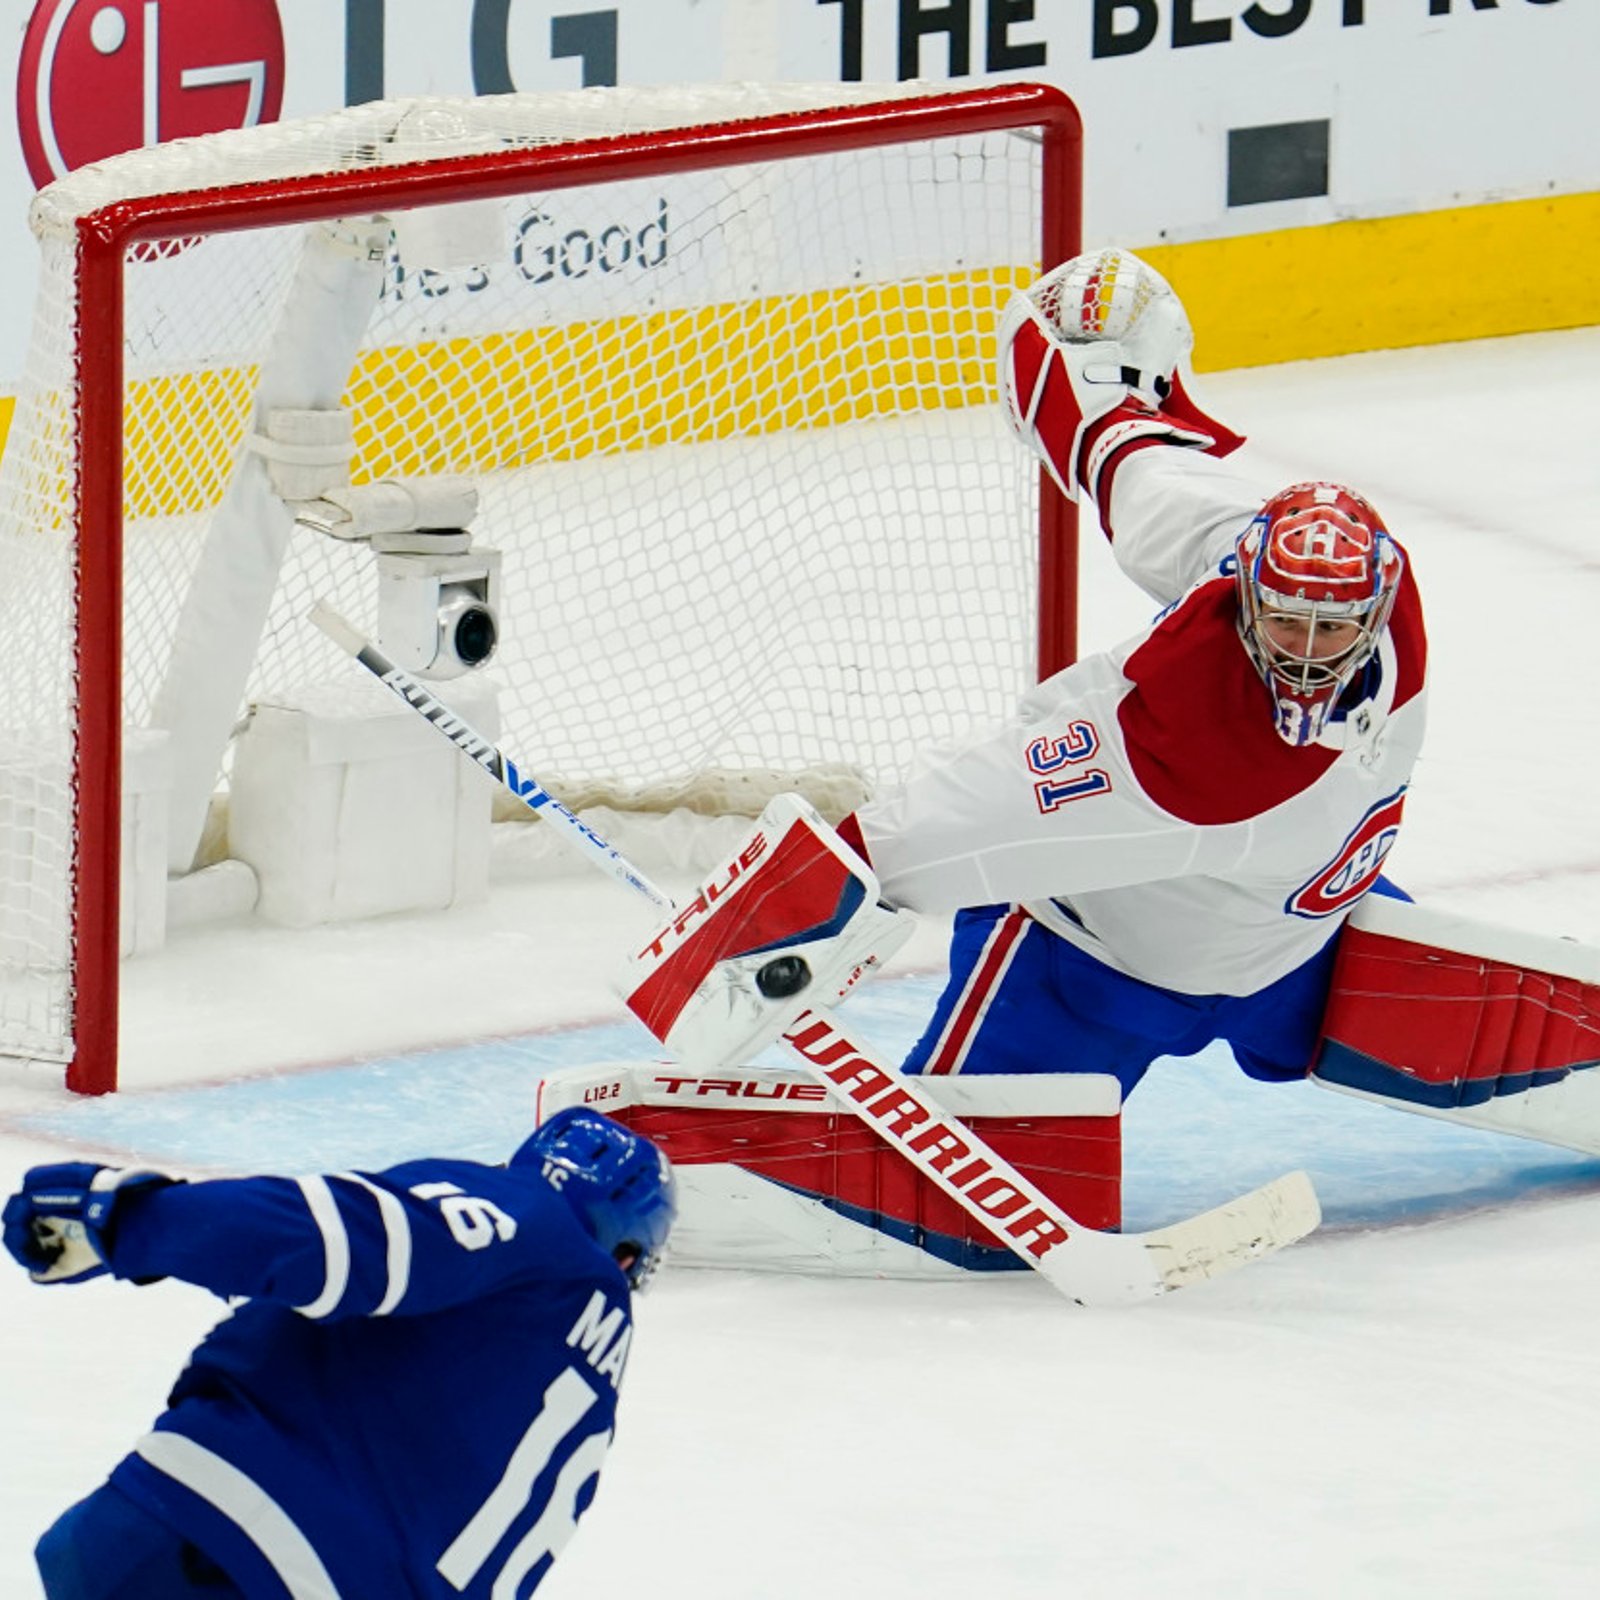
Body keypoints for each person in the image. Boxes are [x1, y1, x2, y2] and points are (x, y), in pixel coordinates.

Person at [819, 245, 1426, 1097]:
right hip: (1093, 974)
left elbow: (1144, 473)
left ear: (1380, 603)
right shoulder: (1179, 743)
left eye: (1330, 628)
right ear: (1240, 591)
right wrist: (827, 875)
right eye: (1285, 619)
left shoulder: (1304, 577)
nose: (1303, 648)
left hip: (1292, 949)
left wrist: (1102, 415)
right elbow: (961, 817)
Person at [2, 1107, 676, 1600]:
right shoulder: (590, 1386)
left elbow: (346, 1236)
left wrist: (133, 1221)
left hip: (220, 1549)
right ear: (631, 1253)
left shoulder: (529, 1216)